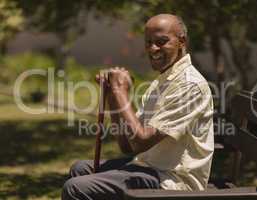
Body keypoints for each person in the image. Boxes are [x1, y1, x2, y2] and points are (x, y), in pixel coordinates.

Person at [62, 13, 214, 200]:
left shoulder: (189, 85)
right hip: (149, 167)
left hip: (173, 182)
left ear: (181, 41)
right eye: (148, 42)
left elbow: (140, 141)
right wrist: (112, 96)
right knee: (80, 169)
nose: (153, 48)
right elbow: (128, 145)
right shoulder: (163, 81)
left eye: (161, 41)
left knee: (75, 188)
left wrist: (120, 91)